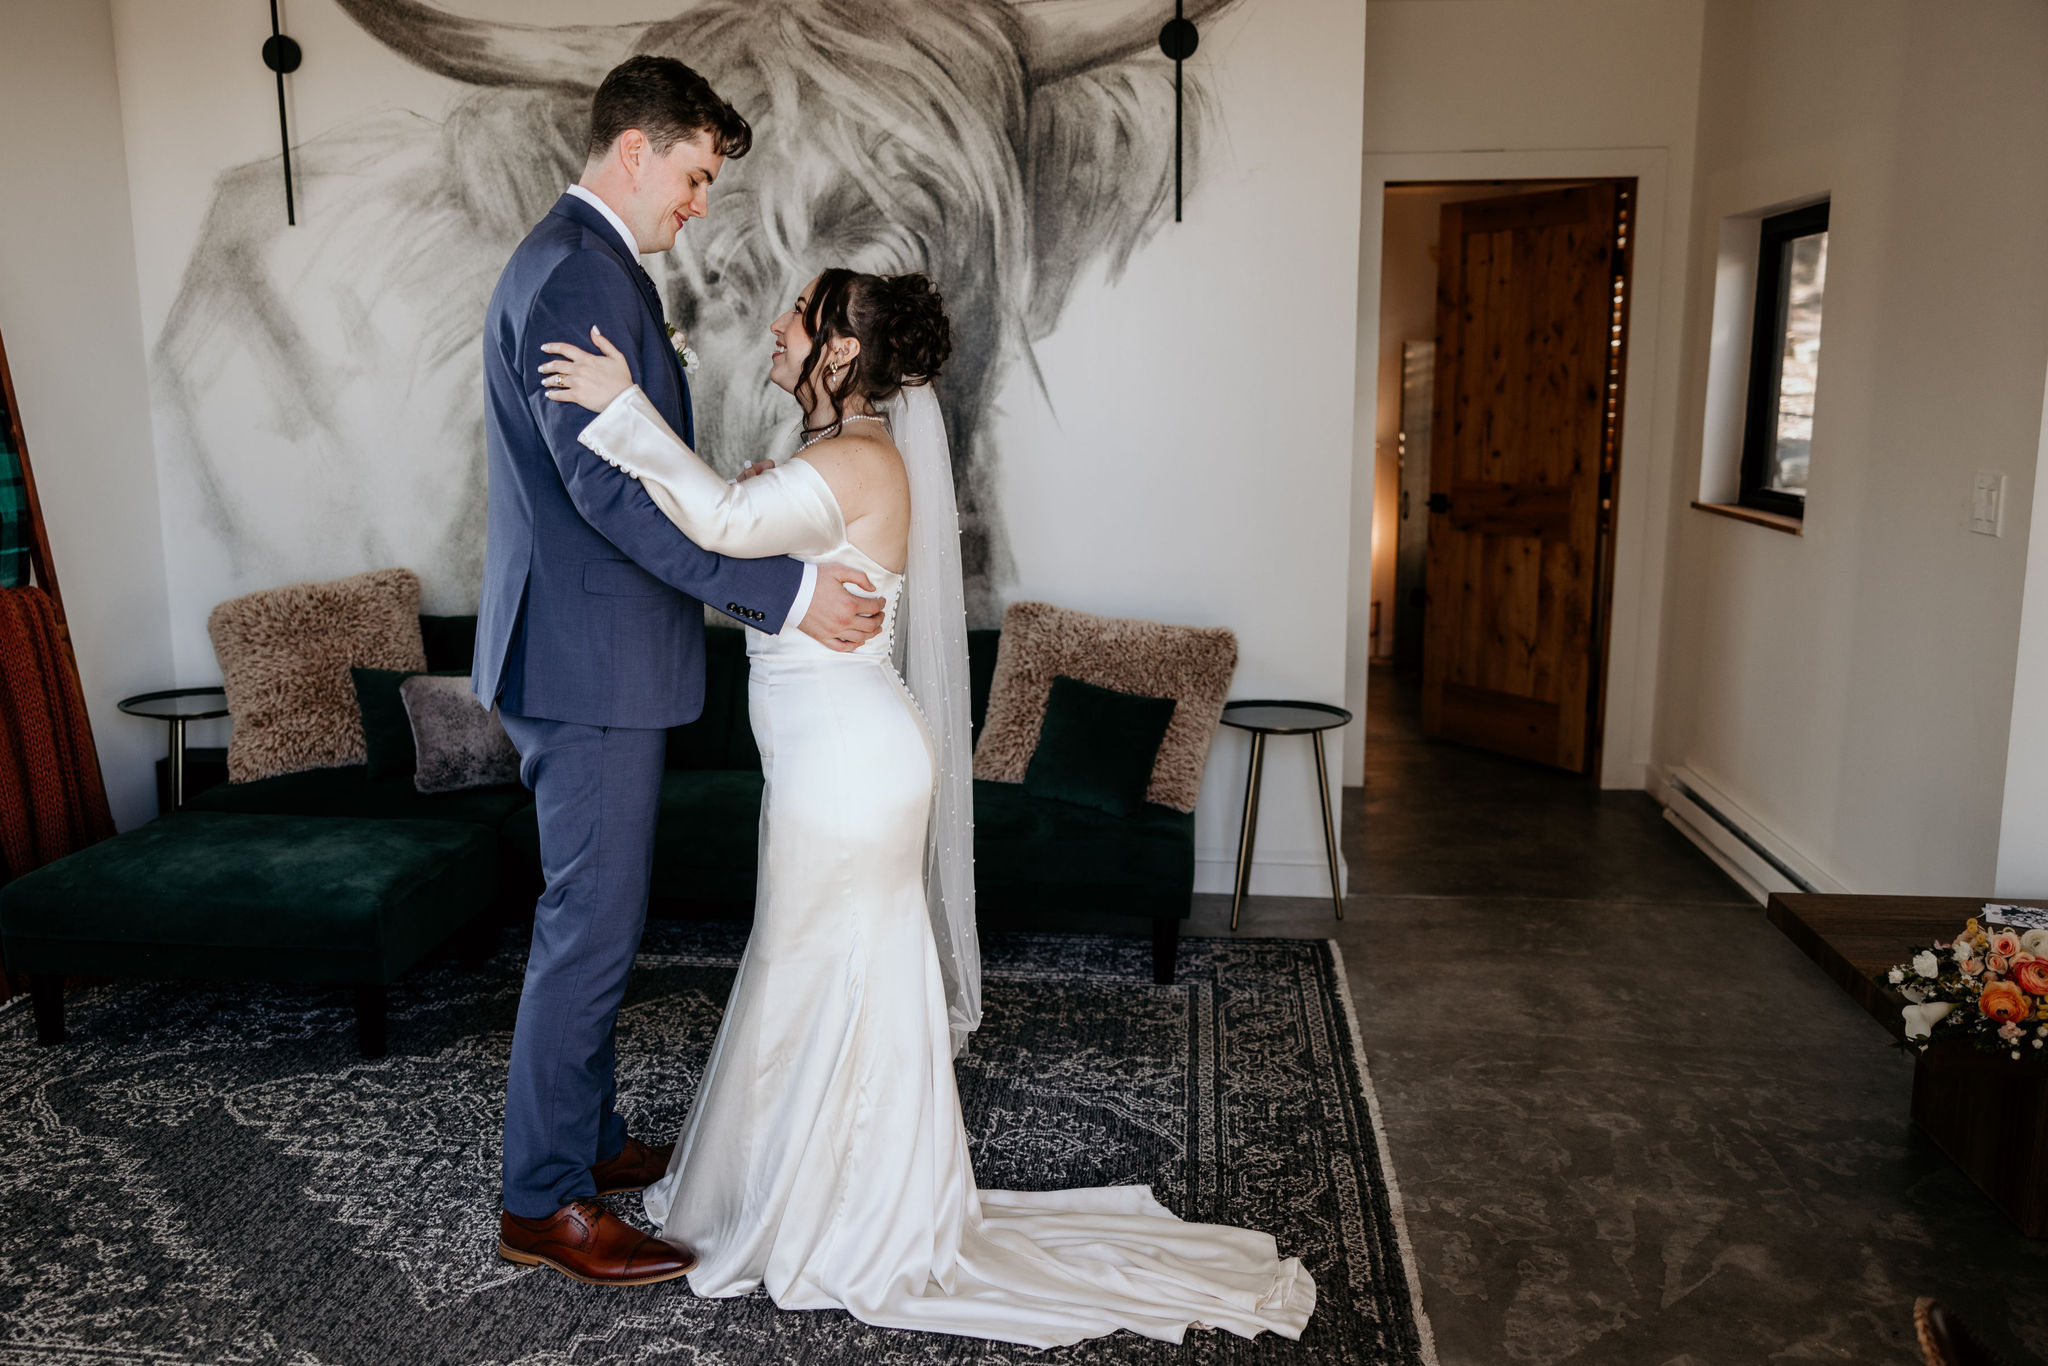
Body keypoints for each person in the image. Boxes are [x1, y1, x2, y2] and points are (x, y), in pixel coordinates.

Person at [535, 268, 1318, 1348]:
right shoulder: (835, 455)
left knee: (824, 965)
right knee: (819, 965)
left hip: (847, 765)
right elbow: (729, 535)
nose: (777, 325)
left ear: (840, 352)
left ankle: (841, 1215)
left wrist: (622, 406)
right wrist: (734, 487)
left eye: (799, 314)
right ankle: (824, 1190)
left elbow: (716, 518)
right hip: (838, 757)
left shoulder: (858, 457)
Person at [477, 55, 885, 1288]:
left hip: (590, 655)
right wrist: (785, 593)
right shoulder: (574, 273)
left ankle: (589, 1138)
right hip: (587, 662)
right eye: (695, 175)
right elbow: (607, 495)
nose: (700, 203)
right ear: (635, 152)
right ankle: (542, 1199)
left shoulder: (584, 264)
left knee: (600, 918)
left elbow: (632, 468)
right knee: (588, 930)